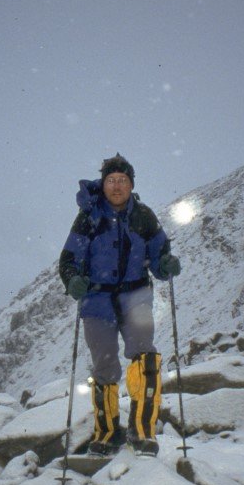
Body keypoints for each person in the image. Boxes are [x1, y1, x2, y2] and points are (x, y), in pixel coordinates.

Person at [59, 154, 181, 457]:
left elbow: (160, 257)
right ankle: (108, 434)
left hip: (135, 295)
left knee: (145, 358)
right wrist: (73, 280)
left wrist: (166, 265)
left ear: (131, 185)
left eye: (122, 181)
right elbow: (69, 259)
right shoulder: (89, 217)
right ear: (103, 183)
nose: (117, 186)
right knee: (104, 366)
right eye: (112, 180)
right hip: (97, 301)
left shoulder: (143, 216)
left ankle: (142, 431)